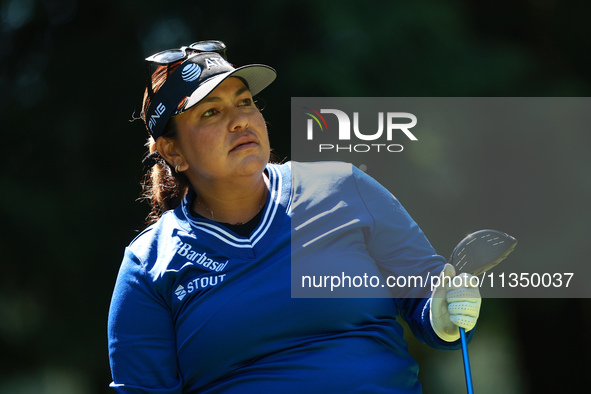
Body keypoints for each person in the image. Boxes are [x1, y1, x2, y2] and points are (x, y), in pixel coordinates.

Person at [107, 40, 482, 393]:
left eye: (245, 102)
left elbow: (425, 293)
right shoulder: (148, 265)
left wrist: (442, 311)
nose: (239, 121)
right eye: (211, 112)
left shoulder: (345, 187)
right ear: (173, 152)